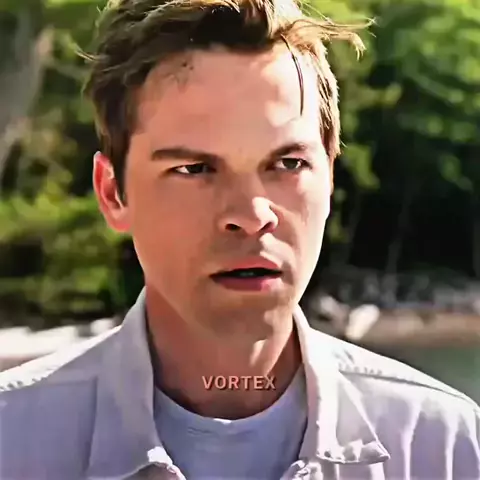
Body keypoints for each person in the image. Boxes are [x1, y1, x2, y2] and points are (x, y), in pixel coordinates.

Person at [0, 0, 479, 478]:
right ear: (113, 193)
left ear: (330, 180)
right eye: (195, 169)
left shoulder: (445, 448)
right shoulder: (12, 443)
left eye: (287, 164)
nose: (251, 216)